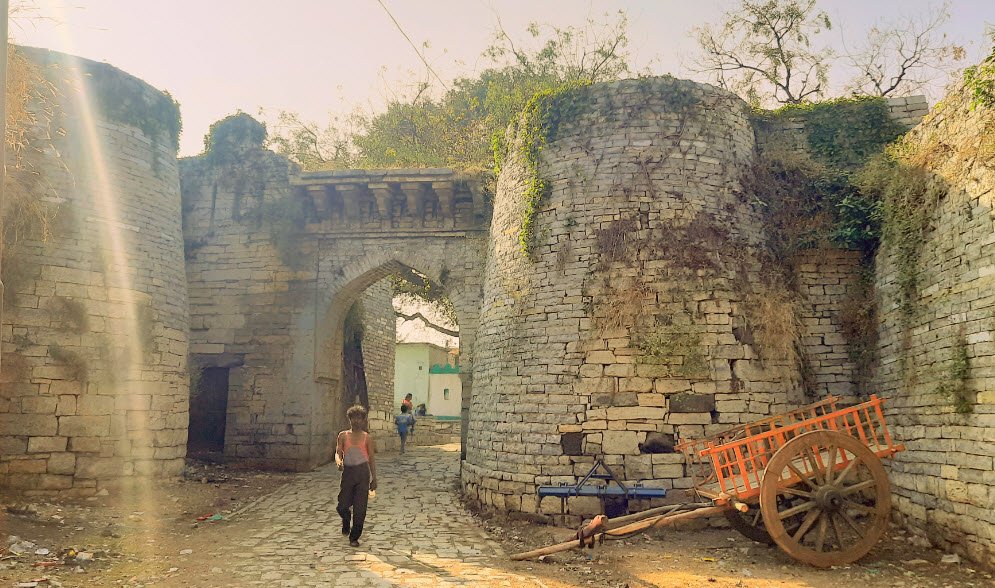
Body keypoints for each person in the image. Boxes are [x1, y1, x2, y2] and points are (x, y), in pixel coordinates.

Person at [335, 405, 377, 547]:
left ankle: (354, 537)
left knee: (360, 509)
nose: (356, 421)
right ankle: (346, 520)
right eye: (354, 418)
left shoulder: (367, 438)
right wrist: (339, 462)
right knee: (342, 506)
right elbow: (338, 452)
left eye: (359, 418)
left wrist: (374, 478)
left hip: (362, 474)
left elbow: (371, 458)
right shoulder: (343, 435)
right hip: (348, 474)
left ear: (363, 420)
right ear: (350, 419)